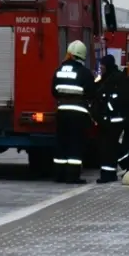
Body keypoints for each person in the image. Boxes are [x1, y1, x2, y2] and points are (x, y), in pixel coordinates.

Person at [51, 40, 97, 184]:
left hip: (62, 112)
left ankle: (59, 175)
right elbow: (91, 93)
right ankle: (72, 176)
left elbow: (53, 90)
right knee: (75, 145)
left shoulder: (59, 70)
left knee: (62, 144)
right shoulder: (84, 73)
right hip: (78, 113)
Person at [93, 54, 129, 184]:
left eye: (102, 66)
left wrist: (107, 109)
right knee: (110, 146)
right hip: (107, 119)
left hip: (114, 119)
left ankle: (108, 175)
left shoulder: (116, 79)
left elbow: (117, 99)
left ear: (107, 66)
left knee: (108, 147)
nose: (101, 69)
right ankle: (128, 163)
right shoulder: (106, 78)